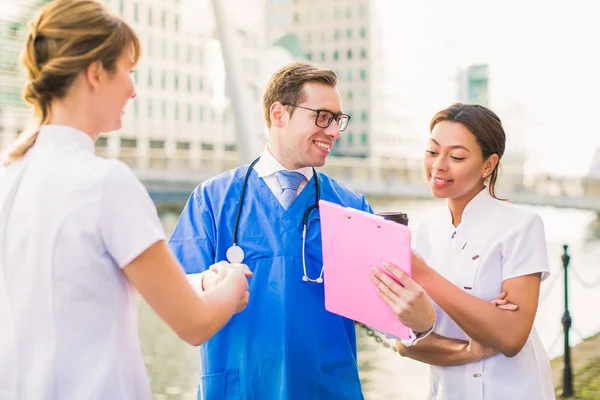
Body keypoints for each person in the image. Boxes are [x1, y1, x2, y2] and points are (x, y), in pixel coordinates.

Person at [0, 1, 250, 399]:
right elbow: (194, 323)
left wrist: (202, 280)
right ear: (96, 72)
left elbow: (91, 282)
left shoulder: (10, 178)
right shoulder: (105, 183)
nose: (133, 90)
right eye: (128, 71)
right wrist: (233, 282)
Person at [168, 61, 436, 400]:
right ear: (279, 114)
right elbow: (174, 290)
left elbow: (388, 313)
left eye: (338, 120)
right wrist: (208, 280)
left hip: (324, 388)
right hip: (240, 388)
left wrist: (420, 322)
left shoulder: (351, 208)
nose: (335, 131)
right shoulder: (213, 199)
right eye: (322, 117)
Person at [371, 103, 555, 399]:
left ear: (488, 164)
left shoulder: (521, 226)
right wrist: (471, 348)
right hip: (448, 390)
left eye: (456, 156)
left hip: (513, 389)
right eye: (432, 152)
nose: (439, 165)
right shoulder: (427, 232)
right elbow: (405, 342)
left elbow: (510, 337)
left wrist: (424, 275)